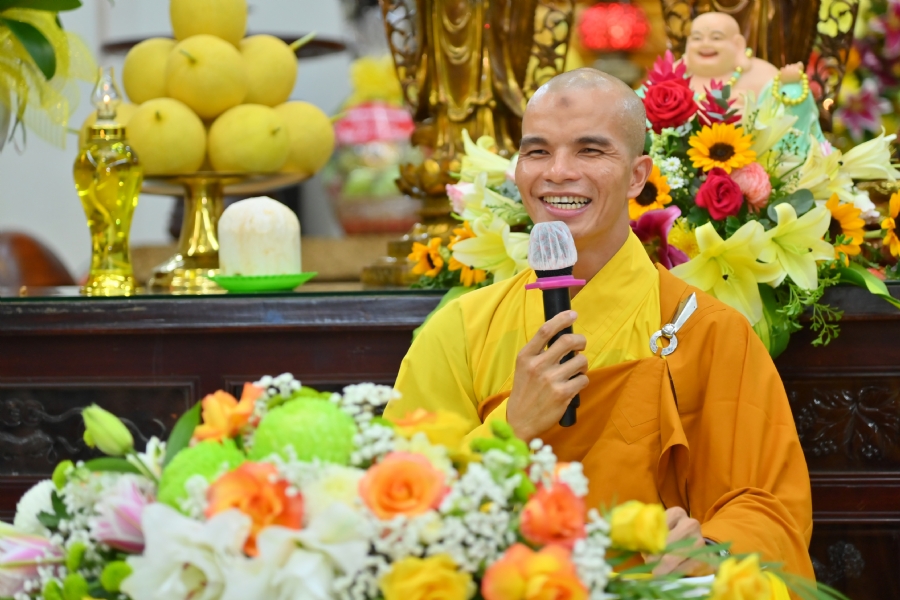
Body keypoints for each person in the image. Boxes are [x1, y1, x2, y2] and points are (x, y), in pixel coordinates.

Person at [385, 68, 815, 579]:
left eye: (591, 151)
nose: (559, 172)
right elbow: (398, 502)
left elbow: (769, 507)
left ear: (638, 175)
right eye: (537, 151)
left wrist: (710, 550)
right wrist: (511, 425)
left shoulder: (707, 330)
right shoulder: (461, 328)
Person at [684, 11, 824, 154]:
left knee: (793, 91)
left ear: (738, 44)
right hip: (683, 159)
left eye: (716, 38)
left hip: (754, 159)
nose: (705, 44)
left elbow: (784, 117)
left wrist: (789, 85)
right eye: (697, 38)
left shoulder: (762, 74)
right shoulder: (674, 74)